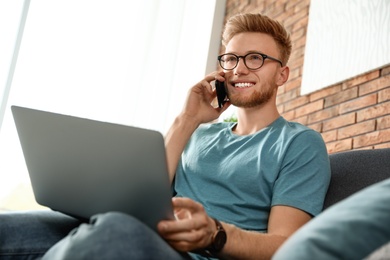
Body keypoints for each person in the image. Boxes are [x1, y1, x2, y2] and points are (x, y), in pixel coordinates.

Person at [0, 13, 331, 259]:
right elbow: (142, 194)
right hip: (144, 237)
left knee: (115, 231)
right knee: (10, 225)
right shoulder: (200, 135)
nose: (239, 69)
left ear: (282, 74)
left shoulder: (299, 143)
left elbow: (288, 246)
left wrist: (214, 234)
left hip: (198, 254)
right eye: (230, 59)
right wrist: (187, 118)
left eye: (255, 59)